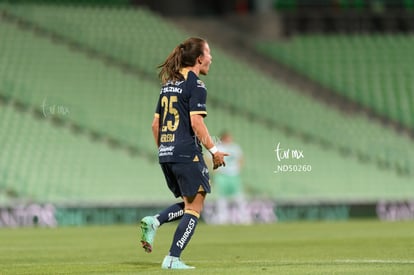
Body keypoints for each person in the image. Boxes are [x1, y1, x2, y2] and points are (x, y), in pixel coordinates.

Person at [140, 37, 228, 270]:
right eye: (209, 53)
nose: (211, 58)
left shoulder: (168, 84)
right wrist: (215, 151)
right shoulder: (195, 85)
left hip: (166, 153)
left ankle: (155, 221)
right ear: (199, 59)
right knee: (195, 208)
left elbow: (155, 126)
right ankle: (172, 258)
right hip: (187, 153)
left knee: (190, 203)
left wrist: (166, 150)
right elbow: (196, 122)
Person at [214, 131, 250, 224]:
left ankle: (244, 218)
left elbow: (241, 158)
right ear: (223, 138)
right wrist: (215, 169)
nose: (230, 139)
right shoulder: (217, 148)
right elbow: (208, 158)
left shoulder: (235, 147)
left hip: (234, 175)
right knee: (222, 198)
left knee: (239, 197)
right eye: (228, 137)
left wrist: (238, 168)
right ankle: (222, 218)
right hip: (222, 175)